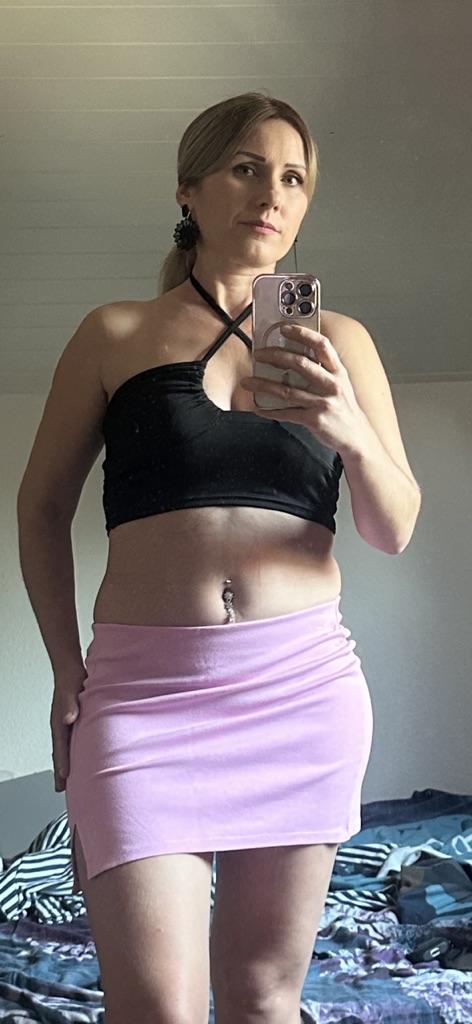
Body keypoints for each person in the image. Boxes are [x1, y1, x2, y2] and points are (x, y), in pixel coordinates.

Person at [17, 92, 420, 1024]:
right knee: (156, 1006)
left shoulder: (341, 342)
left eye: (293, 178)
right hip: (140, 701)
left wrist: (345, 425)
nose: (271, 194)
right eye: (246, 169)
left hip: (300, 691)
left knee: (263, 998)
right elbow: (40, 508)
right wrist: (65, 669)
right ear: (188, 190)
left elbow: (393, 526)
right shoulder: (116, 334)